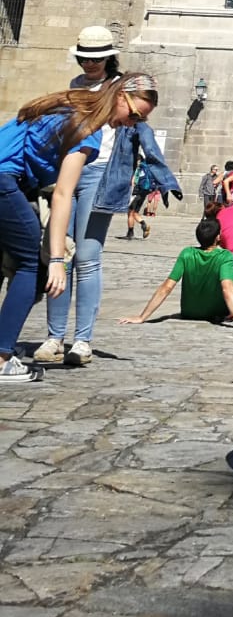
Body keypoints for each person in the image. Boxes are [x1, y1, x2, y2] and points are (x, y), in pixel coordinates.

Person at [1, 74, 154, 383]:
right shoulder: (87, 128)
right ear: (119, 96)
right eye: (134, 115)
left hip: (8, 179)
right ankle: (2, 356)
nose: (131, 124)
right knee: (34, 263)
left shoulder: (69, 104)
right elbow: (63, 194)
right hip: (5, 181)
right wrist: (57, 259)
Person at [32, 27, 123, 369]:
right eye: (84, 56)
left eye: (96, 57)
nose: (89, 63)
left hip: (99, 172)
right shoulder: (73, 85)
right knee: (61, 252)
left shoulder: (118, 87)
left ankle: (82, 339)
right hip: (68, 170)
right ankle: (55, 335)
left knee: (88, 256)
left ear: (107, 57)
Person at [118, 217, 233, 331]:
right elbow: (226, 289)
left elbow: (166, 287)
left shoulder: (187, 253)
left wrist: (142, 317)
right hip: (216, 312)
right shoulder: (225, 256)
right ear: (218, 237)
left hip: (189, 312)